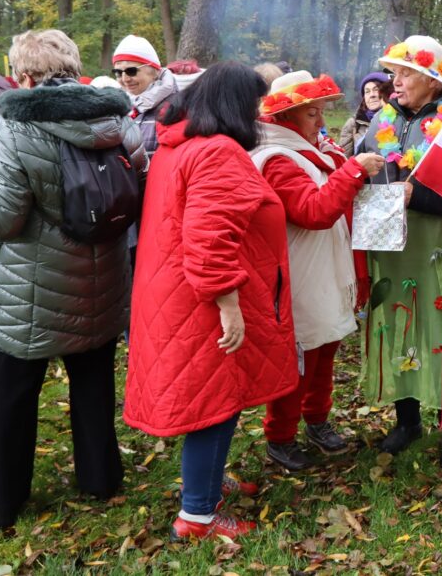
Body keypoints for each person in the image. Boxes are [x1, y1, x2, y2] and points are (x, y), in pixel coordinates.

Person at [0, 29, 146, 528]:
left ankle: (4, 498)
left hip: (30, 292)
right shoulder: (121, 122)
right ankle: (100, 477)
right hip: (105, 282)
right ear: (73, 67)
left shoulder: (17, 129)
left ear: (23, 76)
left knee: (12, 395)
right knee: (93, 383)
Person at [123, 61, 298, 541]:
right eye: (254, 104)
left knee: (217, 397)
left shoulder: (177, 145)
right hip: (201, 302)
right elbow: (210, 241)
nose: (258, 114)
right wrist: (228, 304)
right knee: (215, 403)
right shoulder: (218, 152)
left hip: (175, 296)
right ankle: (198, 515)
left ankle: (209, 481)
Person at [359, 35, 442, 468]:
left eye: (405, 73)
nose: (394, 81)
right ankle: (408, 418)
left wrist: (419, 197)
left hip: (441, 247)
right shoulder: (383, 120)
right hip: (393, 246)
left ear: (433, 81)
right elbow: (364, 171)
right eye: (393, 72)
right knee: (400, 324)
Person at [251, 71, 385, 471]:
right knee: (301, 354)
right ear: (287, 116)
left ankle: (317, 419)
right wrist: (353, 171)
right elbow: (313, 211)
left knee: (324, 346)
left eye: (322, 112)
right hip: (298, 272)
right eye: (313, 114)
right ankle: (280, 435)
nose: (322, 122)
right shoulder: (276, 158)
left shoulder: (310, 149)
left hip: (324, 266)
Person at [112, 34, 177, 157]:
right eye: (118, 72)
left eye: (131, 71)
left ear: (154, 71)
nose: (125, 79)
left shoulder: (175, 108)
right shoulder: (116, 109)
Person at [340, 72, 392, 156]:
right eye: (367, 92)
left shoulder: (400, 120)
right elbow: (344, 160)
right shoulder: (354, 124)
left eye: (376, 89)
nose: (372, 95)